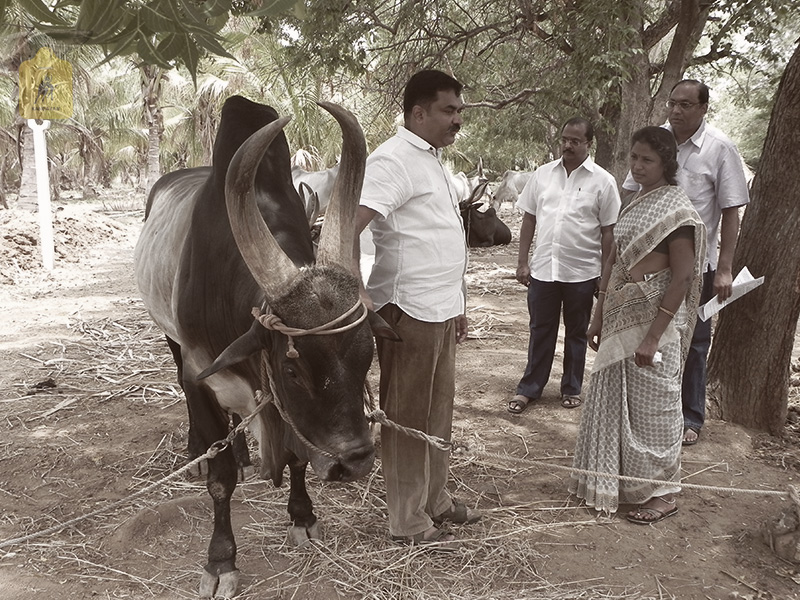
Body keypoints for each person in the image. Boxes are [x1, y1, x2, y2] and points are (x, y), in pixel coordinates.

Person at [353, 69, 480, 551]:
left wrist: (459, 304)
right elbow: (348, 228)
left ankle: (436, 501)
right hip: (407, 310)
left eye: (459, 111)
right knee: (407, 417)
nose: (457, 121)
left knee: (437, 413)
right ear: (417, 113)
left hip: (440, 308)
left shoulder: (434, 161)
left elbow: (442, 238)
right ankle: (406, 520)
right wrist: (359, 291)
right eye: (449, 111)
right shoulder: (392, 160)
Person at [569, 126, 707, 522]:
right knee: (619, 404)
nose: (638, 165)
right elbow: (612, 263)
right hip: (619, 321)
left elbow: (681, 278)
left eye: (647, 159)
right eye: (634, 157)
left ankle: (664, 493)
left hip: (655, 328)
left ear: (666, 163)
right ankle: (621, 483)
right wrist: (598, 316)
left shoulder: (678, 213)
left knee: (655, 409)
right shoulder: (635, 202)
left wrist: (651, 337)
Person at [622, 79, 750, 446]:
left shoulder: (720, 149)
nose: (676, 111)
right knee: (648, 336)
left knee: (693, 341)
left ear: (703, 108)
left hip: (696, 267)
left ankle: (690, 417)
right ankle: (646, 413)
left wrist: (724, 267)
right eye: (672, 103)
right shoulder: (655, 141)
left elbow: (730, 211)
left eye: (686, 105)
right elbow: (631, 192)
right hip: (648, 265)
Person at [507, 118, 620, 414]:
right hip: (544, 269)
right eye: (565, 139)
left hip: (582, 272)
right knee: (540, 330)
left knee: (577, 332)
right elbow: (529, 218)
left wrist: (605, 276)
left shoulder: (603, 181)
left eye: (575, 141)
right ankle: (530, 388)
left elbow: (609, 232)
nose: (568, 145)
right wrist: (522, 262)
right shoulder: (542, 175)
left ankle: (571, 387)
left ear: (588, 144)